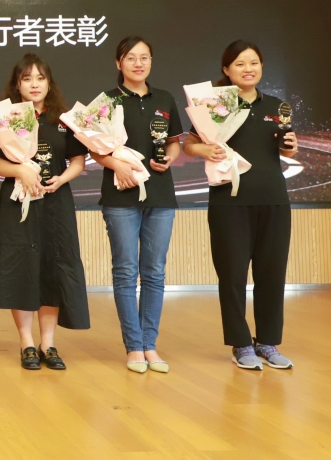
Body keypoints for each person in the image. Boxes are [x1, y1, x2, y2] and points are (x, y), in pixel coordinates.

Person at [183, 41, 297, 370]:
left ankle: (268, 342)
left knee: (272, 274)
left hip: (274, 200)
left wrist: (290, 148)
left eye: (254, 62)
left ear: (261, 67)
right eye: (240, 63)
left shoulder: (277, 105)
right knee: (232, 275)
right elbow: (189, 144)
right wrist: (204, 150)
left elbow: (285, 148)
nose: (249, 69)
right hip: (229, 201)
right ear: (226, 69)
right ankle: (241, 344)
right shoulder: (215, 105)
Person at [0, 54, 90, 370]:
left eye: (40, 78)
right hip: (18, 202)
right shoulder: (8, 119)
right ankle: (27, 343)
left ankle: (48, 344)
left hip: (55, 203)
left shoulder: (64, 120)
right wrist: (20, 171)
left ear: (49, 83)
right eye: (27, 78)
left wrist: (62, 179)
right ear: (17, 84)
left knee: (53, 268)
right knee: (21, 268)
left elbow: (78, 161)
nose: (34, 84)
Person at [91, 36, 183, 374]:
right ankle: (133, 346)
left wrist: (169, 159)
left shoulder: (165, 99)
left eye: (144, 57)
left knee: (155, 272)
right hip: (121, 196)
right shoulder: (106, 101)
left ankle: (150, 344)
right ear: (119, 63)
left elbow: (174, 143)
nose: (138, 63)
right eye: (131, 57)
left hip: (160, 195)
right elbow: (95, 148)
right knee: (126, 270)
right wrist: (117, 166)